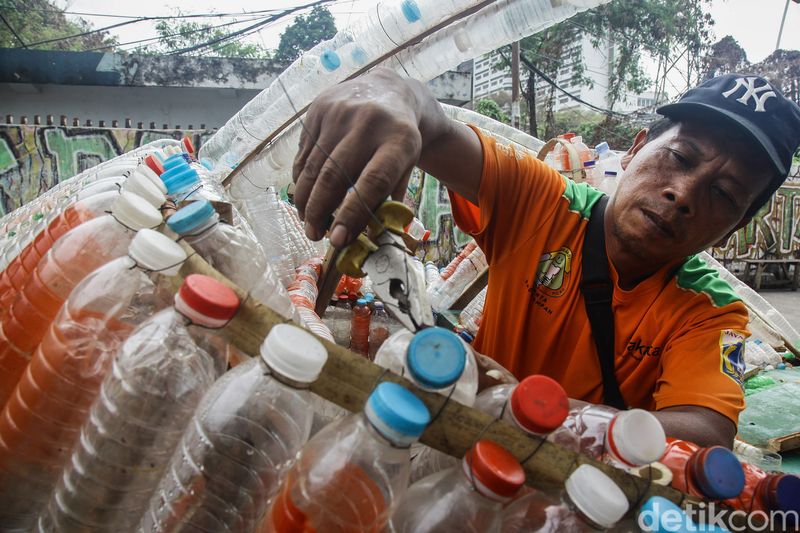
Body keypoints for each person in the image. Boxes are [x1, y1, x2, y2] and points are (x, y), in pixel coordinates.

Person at [292, 68, 800, 448]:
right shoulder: (541, 202)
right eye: (681, 158)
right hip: (458, 455)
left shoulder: (711, 315)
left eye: (725, 195)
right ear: (635, 148)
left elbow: (704, 433)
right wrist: (392, 94)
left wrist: (519, 406)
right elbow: (435, 128)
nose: (684, 194)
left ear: (734, 227)